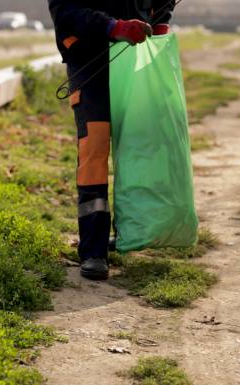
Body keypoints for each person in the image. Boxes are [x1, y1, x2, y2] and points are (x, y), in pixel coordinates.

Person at [48, 0, 176, 280]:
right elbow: (66, 11)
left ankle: (131, 231)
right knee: (94, 145)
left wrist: (159, 26)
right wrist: (113, 27)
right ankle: (93, 250)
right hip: (88, 57)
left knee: (138, 142)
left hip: (137, 55)